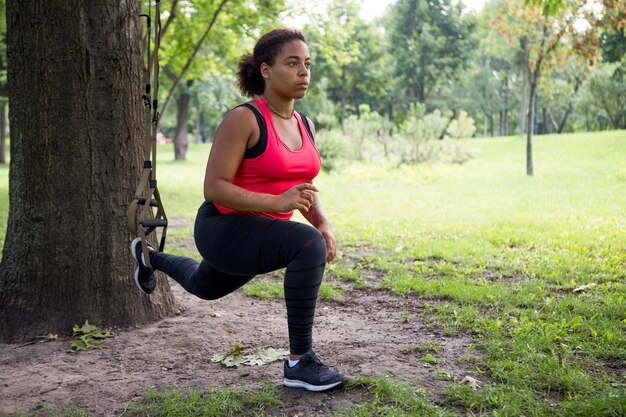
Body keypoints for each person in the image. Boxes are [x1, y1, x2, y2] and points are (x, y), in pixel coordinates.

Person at [129, 28, 348, 392]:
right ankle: (299, 362)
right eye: (292, 63)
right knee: (306, 244)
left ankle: (148, 257)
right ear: (265, 69)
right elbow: (214, 187)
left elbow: (303, 186)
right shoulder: (244, 119)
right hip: (223, 227)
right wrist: (278, 204)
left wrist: (322, 221)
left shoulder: (304, 124)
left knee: (205, 286)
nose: (304, 72)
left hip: (261, 234)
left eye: (307, 64)